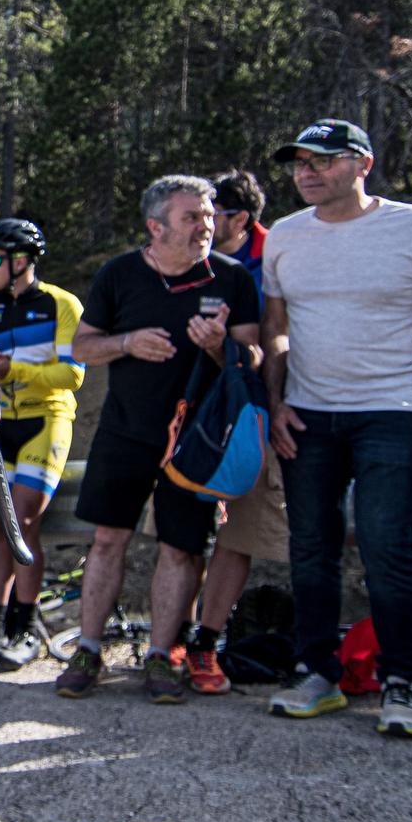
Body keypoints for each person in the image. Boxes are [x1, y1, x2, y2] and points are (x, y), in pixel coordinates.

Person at [261, 119, 412, 740]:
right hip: (308, 415)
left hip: (393, 409)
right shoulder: (283, 235)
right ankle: (317, 674)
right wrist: (276, 403)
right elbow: (275, 328)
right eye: (299, 162)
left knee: (387, 547)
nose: (306, 172)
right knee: (309, 550)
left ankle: (407, 682)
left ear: (363, 164)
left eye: (322, 161)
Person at [58, 177, 261, 703]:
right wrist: (127, 342)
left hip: (196, 440)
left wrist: (219, 350)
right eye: (192, 217)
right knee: (107, 540)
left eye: (209, 216)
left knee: (180, 548)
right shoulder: (119, 274)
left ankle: (159, 656)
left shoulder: (233, 279)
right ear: (156, 226)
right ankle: (88, 649)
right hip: (124, 430)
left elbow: (254, 358)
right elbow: (82, 347)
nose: (206, 226)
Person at [0, 219, 84, 668]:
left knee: (23, 521)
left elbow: (74, 374)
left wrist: (17, 373)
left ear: (21, 261)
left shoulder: (61, 304)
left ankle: (25, 628)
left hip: (46, 420)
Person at [184, 169, 292, 694]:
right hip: (192, 416)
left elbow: (279, 341)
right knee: (180, 535)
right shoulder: (188, 259)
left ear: (241, 220)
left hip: (255, 413)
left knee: (239, 532)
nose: (202, 224)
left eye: (213, 216)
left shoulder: (279, 256)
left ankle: (207, 640)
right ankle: (173, 641)